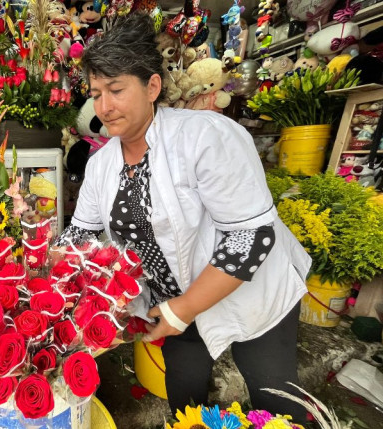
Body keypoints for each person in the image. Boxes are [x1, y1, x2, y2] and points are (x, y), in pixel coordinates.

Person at [56, 13, 311, 421]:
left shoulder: (206, 136)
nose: (104, 106)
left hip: (250, 291)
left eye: (116, 90)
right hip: (172, 300)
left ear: (152, 86)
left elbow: (251, 237)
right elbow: (81, 235)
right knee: (185, 396)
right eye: (96, 92)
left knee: (278, 398)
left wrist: (184, 308)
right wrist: (38, 277)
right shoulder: (101, 165)